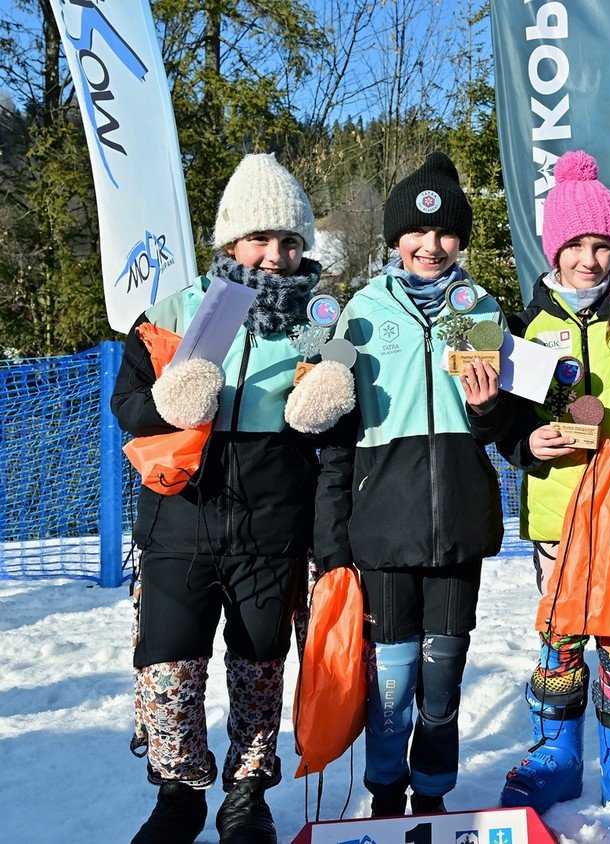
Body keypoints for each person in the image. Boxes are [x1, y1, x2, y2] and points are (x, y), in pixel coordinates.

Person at [113, 153, 354, 844]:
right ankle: (178, 794)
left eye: (290, 240)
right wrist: (168, 404)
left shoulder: (320, 320)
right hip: (180, 516)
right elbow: (127, 405)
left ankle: (247, 795)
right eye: (259, 238)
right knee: (169, 664)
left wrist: (327, 399)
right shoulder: (173, 313)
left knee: (259, 666)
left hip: (273, 521)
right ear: (228, 242)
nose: (276, 255)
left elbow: (341, 415)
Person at [314, 152, 510, 817]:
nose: (431, 245)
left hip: (458, 522)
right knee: (391, 680)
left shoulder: (480, 308)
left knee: (442, 675)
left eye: (447, 233)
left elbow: (497, 424)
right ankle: (384, 796)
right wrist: (331, 538)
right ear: (395, 238)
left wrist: (488, 407)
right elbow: (336, 434)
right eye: (417, 232)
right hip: (383, 526)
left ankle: (431, 794)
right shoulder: (361, 313)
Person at [495, 150, 610, 835]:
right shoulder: (525, 324)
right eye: (575, 244)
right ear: (554, 248)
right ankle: (557, 754)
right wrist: (526, 443)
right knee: (562, 637)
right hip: (558, 514)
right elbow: (506, 420)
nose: (589, 259)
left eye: (602, 244)